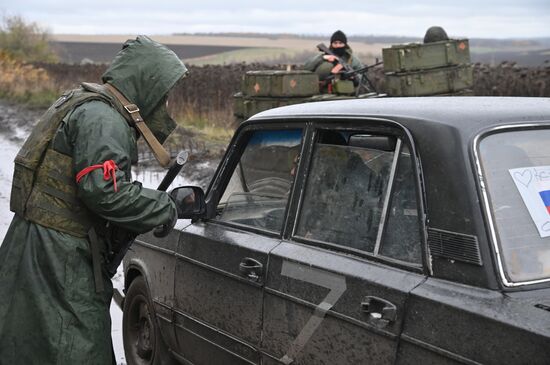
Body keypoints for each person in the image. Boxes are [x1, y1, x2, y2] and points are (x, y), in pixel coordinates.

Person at [0, 36, 189, 364]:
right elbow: (105, 193)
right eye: (164, 94)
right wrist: (165, 207)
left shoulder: (83, 102)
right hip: (60, 256)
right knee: (78, 346)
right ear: (145, 83)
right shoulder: (103, 119)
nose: (165, 103)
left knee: (30, 342)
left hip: (40, 245)